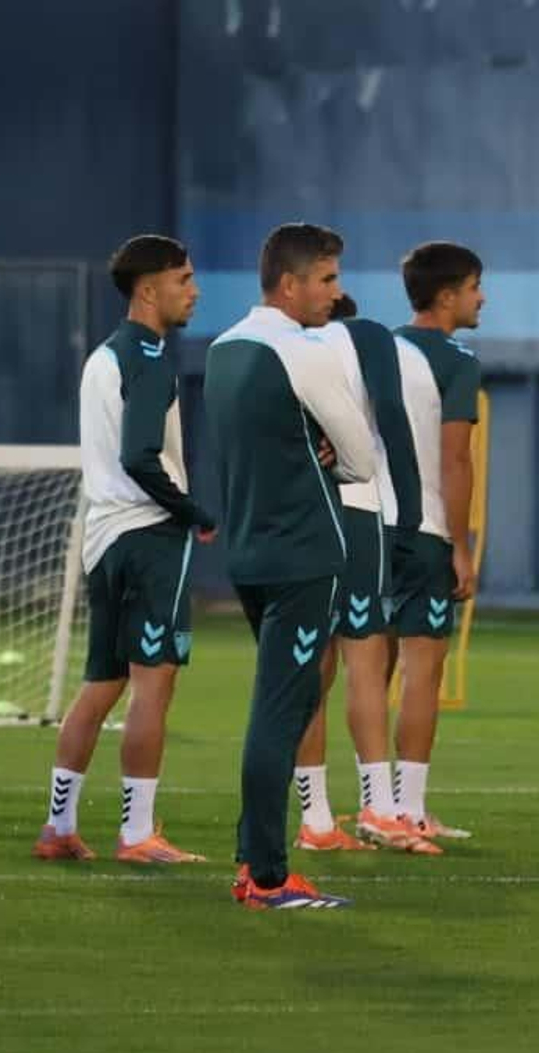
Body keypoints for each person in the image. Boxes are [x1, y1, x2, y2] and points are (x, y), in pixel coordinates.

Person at [206, 222, 375, 909]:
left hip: (248, 553)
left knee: (294, 699)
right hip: (304, 553)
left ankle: (253, 858)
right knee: (282, 710)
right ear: (290, 283)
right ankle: (269, 877)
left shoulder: (221, 349)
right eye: (327, 279)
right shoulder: (303, 352)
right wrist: (330, 456)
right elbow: (362, 458)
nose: (336, 294)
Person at [34, 235, 214, 864]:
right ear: (148, 289)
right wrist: (194, 512)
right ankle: (138, 834)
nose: (193, 291)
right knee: (153, 686)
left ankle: (59, 827)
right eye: (183, 279)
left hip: (103, 538)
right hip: (150, 536)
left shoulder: (103, 358)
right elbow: (141, 456)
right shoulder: (151, 360)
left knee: (100, 684)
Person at [288, 292, 434, 853]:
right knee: (365, 661)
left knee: (310, 670)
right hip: (356, 508)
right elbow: (392, 418)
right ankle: (379, 807)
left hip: (299, 517)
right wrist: (413, 514)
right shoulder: (367, 336)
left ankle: (318, 819)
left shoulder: (281, 347)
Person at [387, 241, 485, 844]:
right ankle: (411, 809)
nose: (482, 297)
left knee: (366, 671)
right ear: (447, 296)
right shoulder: (456, 359)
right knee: (422, 672)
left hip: (368, 530)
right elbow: (455, 459)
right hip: (424, 532)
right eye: (476, 286)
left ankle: (368, 803)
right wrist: (460, 544)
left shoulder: (376, 350)